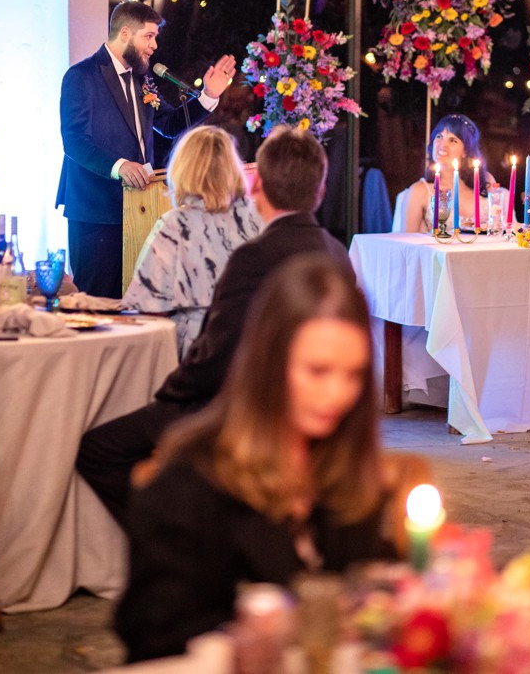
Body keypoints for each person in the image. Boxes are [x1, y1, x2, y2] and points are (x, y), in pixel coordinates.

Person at [114, 252, 396, 662]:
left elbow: (371, 588)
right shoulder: (189, 483)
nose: (337, 394)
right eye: (317, 371)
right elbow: (152, 637)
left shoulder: (344, 467)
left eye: (353, 374)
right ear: (268, 363)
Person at [76, 125, 348, 529]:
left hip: (212, 386)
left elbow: (144, 311)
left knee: (96, 447)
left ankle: (171, 537)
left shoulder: (179, 227)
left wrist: (169, 393)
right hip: (279, 389)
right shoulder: (276, 230)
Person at [56, 1, 238, 298]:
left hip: (141, 208)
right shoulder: (82, 76)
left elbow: (167, 123)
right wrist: (119, 166)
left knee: (136, 299)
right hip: (96, 212)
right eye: (149, 36)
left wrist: (207, 97)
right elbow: (74, 140)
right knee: (96, 300)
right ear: (125, 33)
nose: (154, 45)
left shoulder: (143, 78)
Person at [123, 126, 263, 358]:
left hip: (197, 358)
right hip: (254, 355)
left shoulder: (176, 225)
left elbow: (146, 309)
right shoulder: (259, 219)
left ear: (183, 169)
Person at [400, 113, 498, 233]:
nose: (443, 145)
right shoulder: (419, 191)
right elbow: (406, 244)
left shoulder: (485, 180)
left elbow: (498, 226)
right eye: (439, 136)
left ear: (466, 151)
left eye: (452, 140)